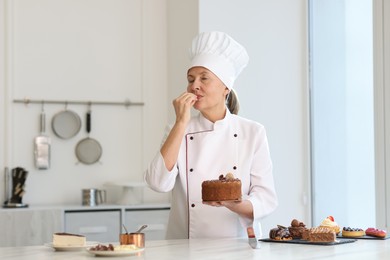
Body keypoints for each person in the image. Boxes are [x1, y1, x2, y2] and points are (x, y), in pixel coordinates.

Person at [145, 31, 277, 239]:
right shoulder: (178, 129)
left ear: (226, 87)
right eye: (190, 79)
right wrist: (181, 123)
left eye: (204, 78)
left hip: (236, 246)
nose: (194, 85)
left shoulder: (252, 132)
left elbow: (266, 199)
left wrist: (233, 203)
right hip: (185, 248)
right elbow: (157, 183)